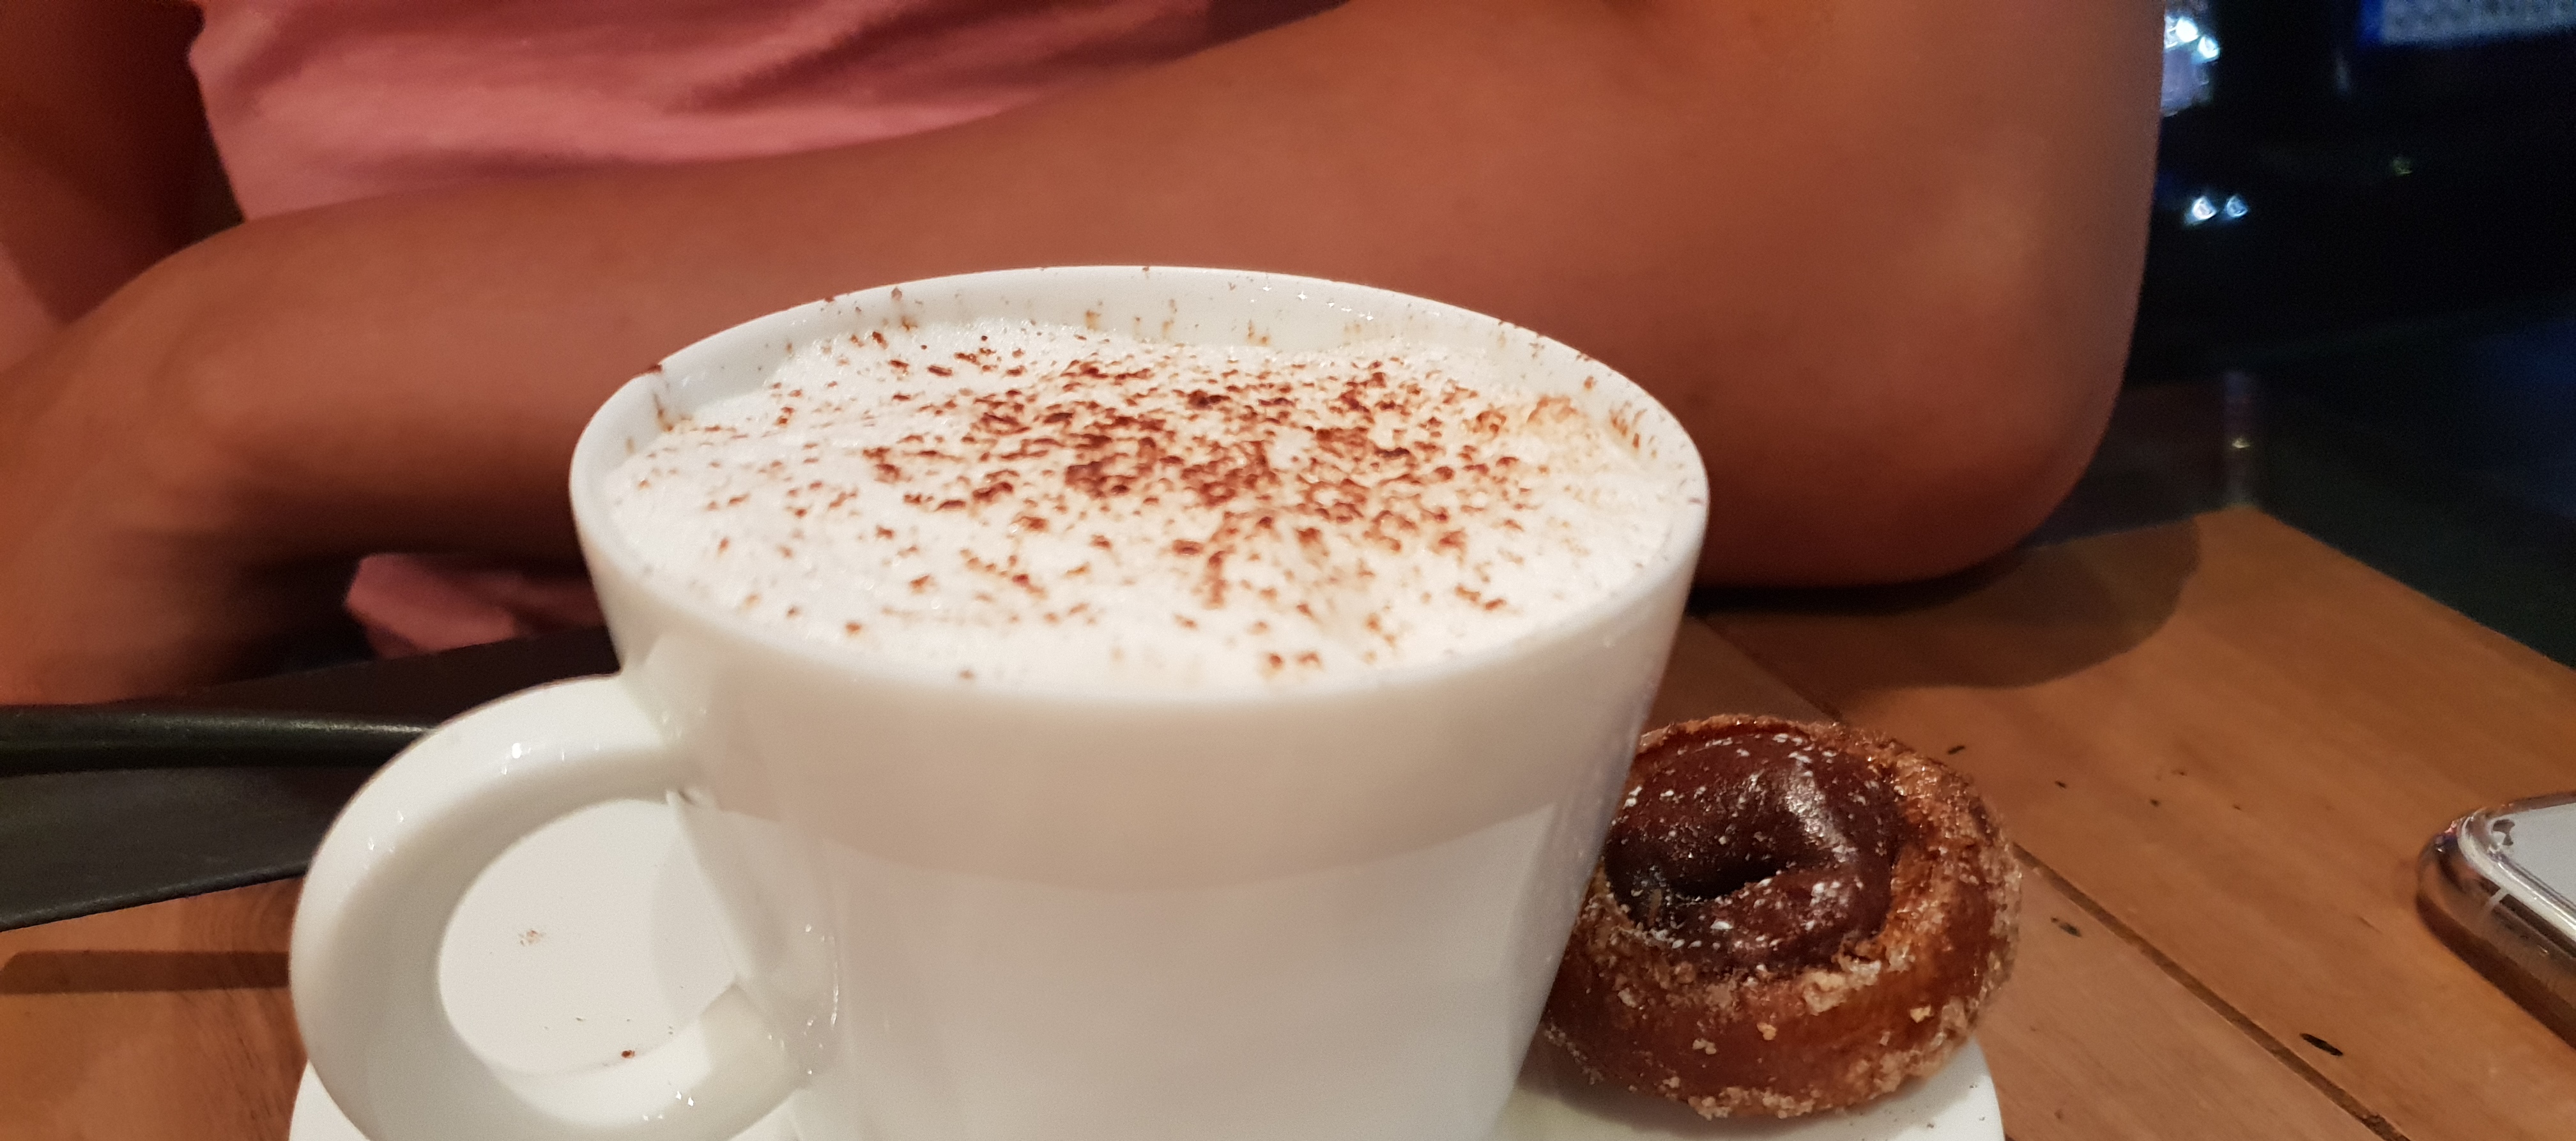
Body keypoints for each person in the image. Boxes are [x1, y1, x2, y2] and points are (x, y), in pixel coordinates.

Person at [0, 0, 2159, 701]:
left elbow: (1916, 241)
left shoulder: (215, 404)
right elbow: (54, 168)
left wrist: (220, 387)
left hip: (1363, 681)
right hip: (317, 730)